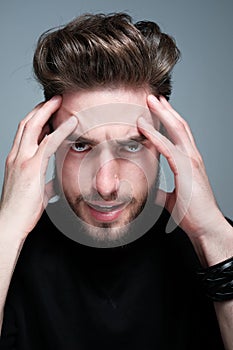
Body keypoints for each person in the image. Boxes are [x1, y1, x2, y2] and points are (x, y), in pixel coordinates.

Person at [0, 12, 233, 350]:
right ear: (43, 142)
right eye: (80, 146)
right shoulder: (10, 255)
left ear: (167, 142)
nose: (106, 185)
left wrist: (213, 236)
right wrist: (7, 229)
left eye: (132, 145)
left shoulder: (219, 248)